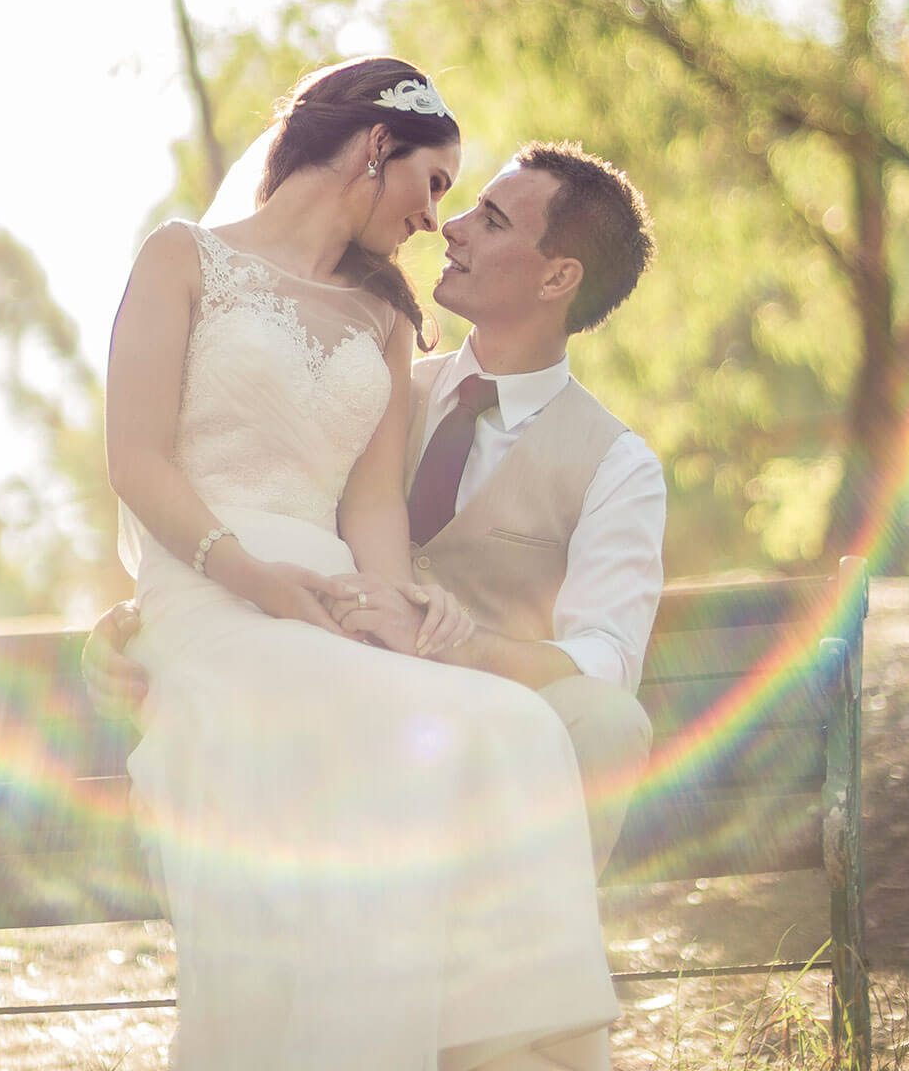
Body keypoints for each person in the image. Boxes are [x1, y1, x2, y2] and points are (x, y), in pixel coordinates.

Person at [93, 133, 664, 1070]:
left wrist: (463, 648)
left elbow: (603, 661)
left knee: (589, 722)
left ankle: (506, 1032)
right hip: (303, 680)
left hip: (446, 716)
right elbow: (238, 489)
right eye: (457, 200)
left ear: (559, 275)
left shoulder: (616, 466)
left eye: (490, 217)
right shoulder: (371, 377)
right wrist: (131, 624)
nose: (453, 227)